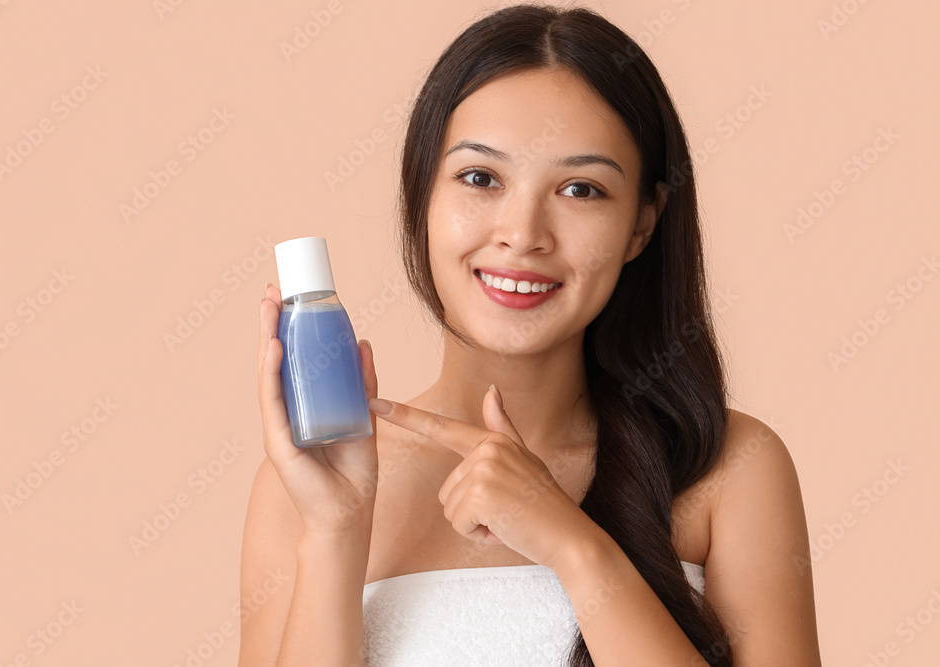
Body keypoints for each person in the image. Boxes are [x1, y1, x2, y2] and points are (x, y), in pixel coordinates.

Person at [239, 4, 822, 666]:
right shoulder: (308, 481)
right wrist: (337, 529)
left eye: (581, 188)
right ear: (421, 194)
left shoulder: (730, 468)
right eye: (480, 178)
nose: (523, 233)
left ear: (642, 223)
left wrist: (569, 541)